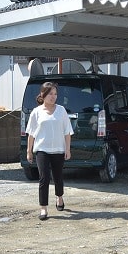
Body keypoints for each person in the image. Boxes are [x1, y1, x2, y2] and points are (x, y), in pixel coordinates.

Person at [25, 82, 74, 220]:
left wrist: (67, 149)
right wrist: (29, 151)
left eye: (55, 94)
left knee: (58, 177)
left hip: (58, 149)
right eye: (50, 94)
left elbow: (67, 132)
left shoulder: (61, 110)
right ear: (43, 95)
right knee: (44, 178)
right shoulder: (36, 112)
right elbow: (31, 133)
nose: (53, 97)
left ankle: (59, 197)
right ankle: (43, 208)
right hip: (42, 149)